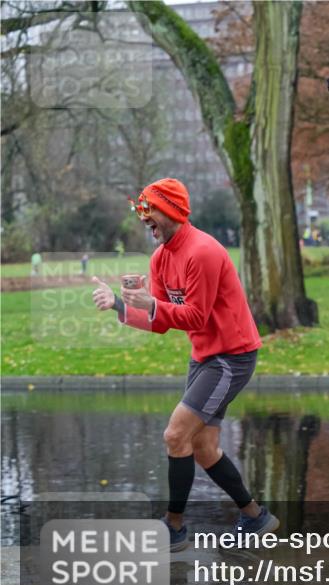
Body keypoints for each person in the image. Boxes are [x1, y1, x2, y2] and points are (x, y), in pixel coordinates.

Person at [90, 178, 277, 552]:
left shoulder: (203, 251)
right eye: (141, 212)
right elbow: (160, 322)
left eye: (150, 211)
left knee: (176, 435)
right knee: (204, 447)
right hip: (205, 357)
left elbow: (195, 316)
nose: (145, 219)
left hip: (232, 355)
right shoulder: (160, 258)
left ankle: (173, 527)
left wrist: (152, 303)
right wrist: (120, 306)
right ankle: (255, 517)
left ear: (172, 210)